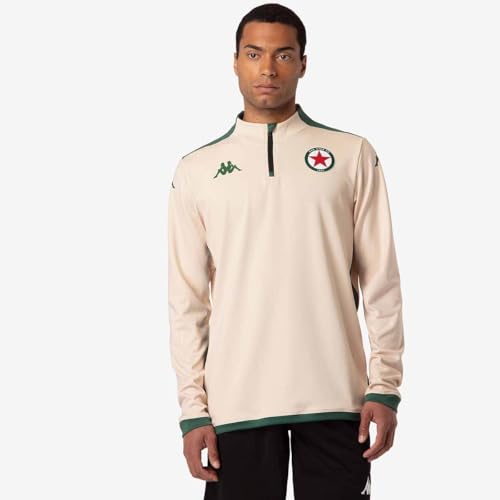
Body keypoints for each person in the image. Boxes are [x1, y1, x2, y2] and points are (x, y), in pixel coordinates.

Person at [168, 3, 405, 499]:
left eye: (283, 55)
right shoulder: (197, 170)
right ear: (235, 62)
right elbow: (187, 302)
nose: (268, 69)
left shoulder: (351, 154)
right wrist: (194, 411)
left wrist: (384, 387)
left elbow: (381, 279)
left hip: (337, 397)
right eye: (254, 54)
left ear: (303, 63)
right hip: (236, 403)